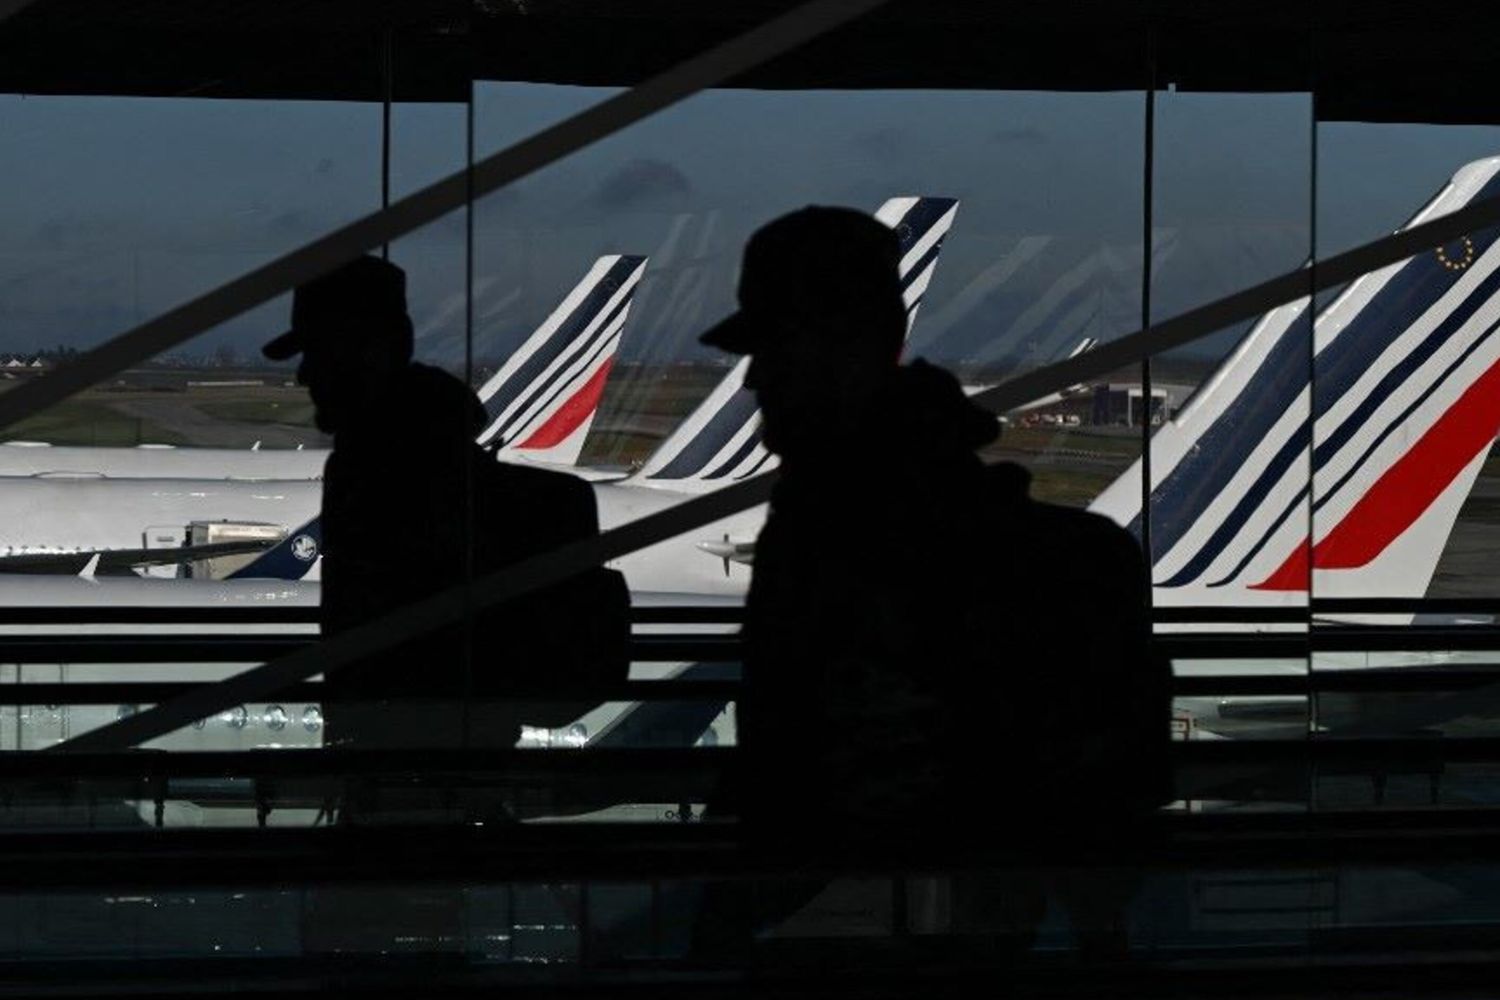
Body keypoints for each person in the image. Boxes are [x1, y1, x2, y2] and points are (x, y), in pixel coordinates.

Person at [693, 207, 1168, 956]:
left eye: (775, 352)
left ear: (843, 356)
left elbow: (819, 771)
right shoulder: (846, 528)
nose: (755, 379)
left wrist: (721, 917)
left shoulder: (845, 544)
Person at [261, 255, 611, 758]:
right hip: (430, 759)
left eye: (319, 352)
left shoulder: (397, 481)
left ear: (371, 353)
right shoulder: (380, 468)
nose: (303, 375)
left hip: (423, 766)